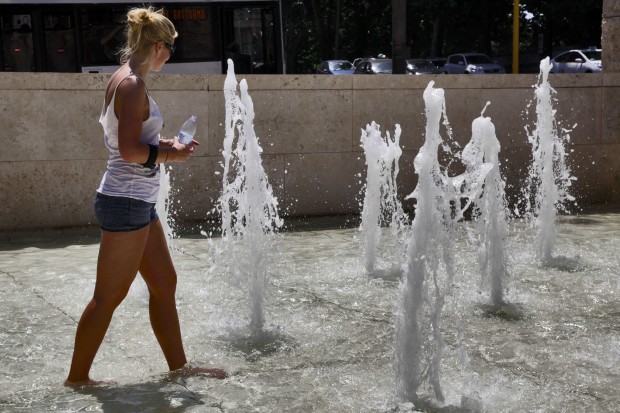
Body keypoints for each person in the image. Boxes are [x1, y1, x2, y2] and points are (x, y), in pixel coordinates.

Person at [64, 7, 227, 386]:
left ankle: (179, 368)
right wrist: (171, 154)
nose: (171, 54)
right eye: (170, 47)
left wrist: (165, 143)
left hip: (136, 201)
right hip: (126, 200)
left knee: (164, 283)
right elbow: (129, 151)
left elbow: (135, 141)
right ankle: (77, 378)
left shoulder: (126, 78)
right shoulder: (132, 84)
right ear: (157, 46)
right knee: (108, 297)